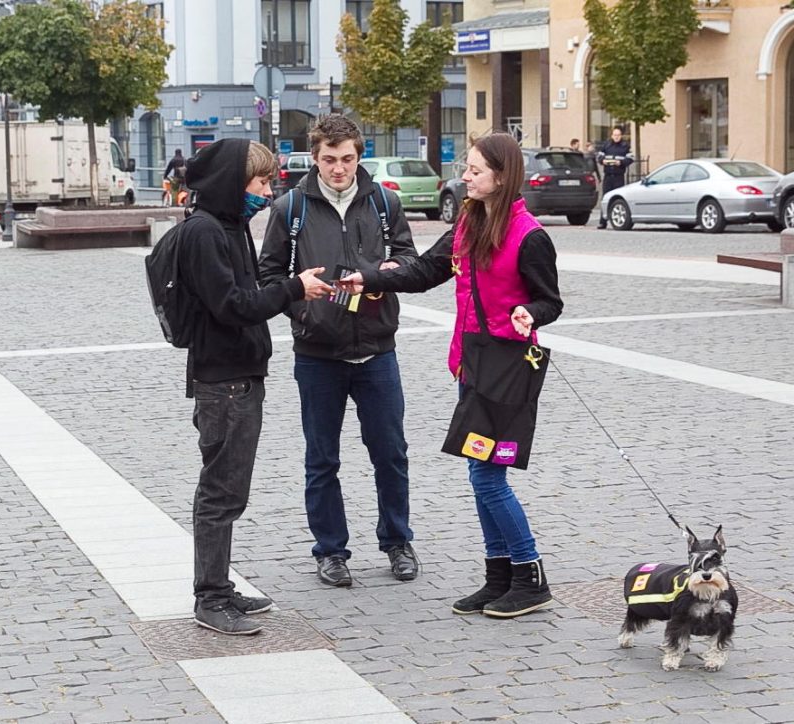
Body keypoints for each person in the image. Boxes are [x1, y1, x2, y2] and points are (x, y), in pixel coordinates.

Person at [338, 132, 563, 618]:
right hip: (471, 363)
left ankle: (530, 574)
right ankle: (498, 575)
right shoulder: (468, 222)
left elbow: (551, 300)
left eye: (475, 170)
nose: (465, 177)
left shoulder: (530, 236)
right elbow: (423, 272)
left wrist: (530, 312)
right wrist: (371, 277)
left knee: (486, 475)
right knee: (479, 468)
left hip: (507, 367)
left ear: (500, 177)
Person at [259, 115, 420, 588]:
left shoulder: (385, 202)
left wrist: (388, 271)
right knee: (322, 458)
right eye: (329, 160)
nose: (338, 169)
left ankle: (397, 542)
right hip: (318, 354)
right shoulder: (291, 209)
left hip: (377, 349)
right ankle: (330, 551)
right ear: (315, 157)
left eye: (347, 159)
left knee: (390, 453)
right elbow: (268, 276)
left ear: (358, 156)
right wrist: (298, 295)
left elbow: (410, 263)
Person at [179, 138, 333, 635]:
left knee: (230, 490)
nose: (267, 191)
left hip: (239, 376)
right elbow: (233, 305)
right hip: (223, 381)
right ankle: (210, 598)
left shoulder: (228, 225)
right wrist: (293, 288)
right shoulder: (206, 232)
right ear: (233, 180)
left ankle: (220, 589)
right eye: (261, 181)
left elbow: (243, 297)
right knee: (220, 492)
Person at [597, 126, 634, 228]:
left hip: (619, 176)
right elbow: (599, 156)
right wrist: (602, 161)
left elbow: (630, 159)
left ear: (621, 136)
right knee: (605, 198)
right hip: (608, 176)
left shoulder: (625, 146)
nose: (616, 137)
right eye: (615, 135)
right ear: (612, 135)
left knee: (618, 199)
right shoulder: (607, 145)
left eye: (618, 135)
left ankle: (617, 220)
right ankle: (602, 221)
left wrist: (621, 162)